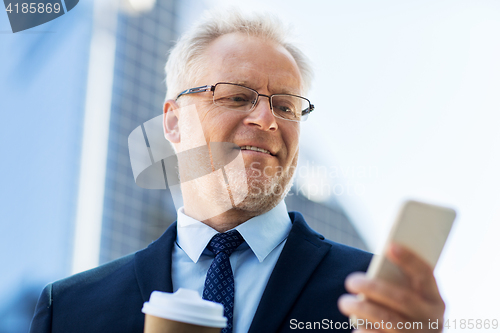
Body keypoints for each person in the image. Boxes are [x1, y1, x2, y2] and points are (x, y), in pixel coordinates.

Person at [30, 9, 445, 333]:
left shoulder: (376, 300)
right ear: (173, 122)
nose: (267, 119)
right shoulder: (69, 310)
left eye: (285, 106)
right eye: (236, 97)